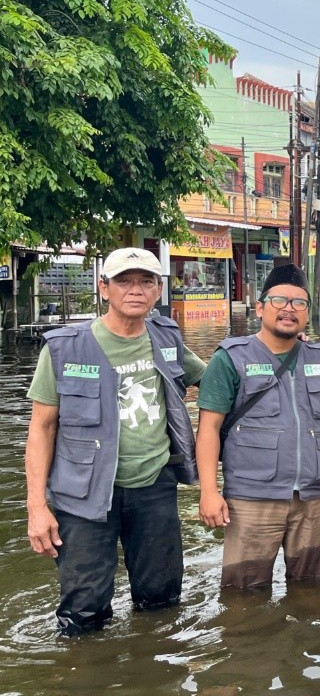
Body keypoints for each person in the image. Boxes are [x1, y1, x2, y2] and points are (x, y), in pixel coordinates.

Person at [24, 248, 205, 635]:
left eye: (146, 281)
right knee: (83, 612)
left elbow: (216, 382)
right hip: (83, 495)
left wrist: (280, 346)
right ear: (104, 288)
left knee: (162, 601)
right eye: (124, 281)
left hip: (154, 485)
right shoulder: (65, 348)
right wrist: (36, 506)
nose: (135, 290)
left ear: (158, 290)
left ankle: (152, 663)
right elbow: (41, 427)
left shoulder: (167, 338)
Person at [195, 264, 320, 589]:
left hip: (313, 498)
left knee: (317, 592)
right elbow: (208, 428)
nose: (289, 309)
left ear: (307, 312)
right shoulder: (230, 359)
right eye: (279, 300)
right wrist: (208, 492)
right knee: (243, 597)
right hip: (251, 499)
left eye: (299, 303)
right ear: (260, 307)